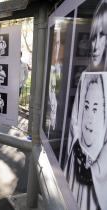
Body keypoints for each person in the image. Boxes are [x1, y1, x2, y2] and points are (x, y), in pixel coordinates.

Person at [63, 2, 107, 209]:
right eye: (93, 36)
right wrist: (79, 151)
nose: (95, 45)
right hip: (79, 180)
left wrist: (95, 167)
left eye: (103, 35)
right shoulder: (85, 79)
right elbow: (75, 123)